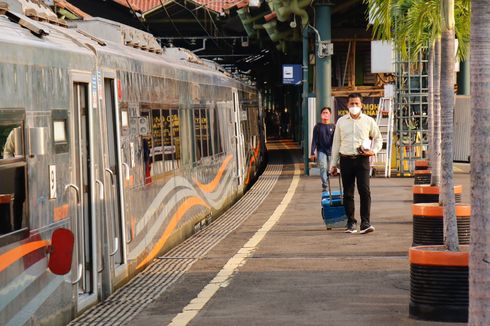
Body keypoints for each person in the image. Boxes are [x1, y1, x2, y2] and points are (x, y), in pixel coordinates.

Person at [329, 93, 382, 234]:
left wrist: (373, 151)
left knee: (364, 191)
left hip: (362, 160)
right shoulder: (341, 121)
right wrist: (333, 164)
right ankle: (351, 223)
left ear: (361, 105)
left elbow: (378, 139)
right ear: (347, 105)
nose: (354, 106)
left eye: (356, 104)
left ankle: (365, 223)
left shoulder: (369, 121)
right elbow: (336, 144)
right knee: (348, 193)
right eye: (351, 104)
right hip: (345, 160)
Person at [310, 107, 335, 191]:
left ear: (330, 115)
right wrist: (312, 152)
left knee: (329, 169)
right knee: (323, 167)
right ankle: (325, 185)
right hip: (321, 150)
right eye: (323, 112)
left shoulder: (333, 126)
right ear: (321, 115)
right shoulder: (317, 127)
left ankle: (326, 181)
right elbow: (314, 140)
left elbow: (336, 140)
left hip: (331, 151)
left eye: (327, 112)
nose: (325, 114)